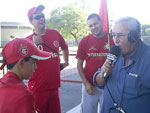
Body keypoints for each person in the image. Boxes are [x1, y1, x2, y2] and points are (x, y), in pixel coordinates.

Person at [93, 16, 150, 113]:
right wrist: (102, 74)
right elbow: (98, 82)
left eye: (120, 35)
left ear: (134, 36)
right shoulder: (114, 54)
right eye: (113, 35)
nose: (115, 40)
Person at [26, 5, 69, 113]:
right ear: (31, 21)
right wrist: (33, 44)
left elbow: (65, 47)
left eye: (43, 15)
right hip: (37, 89)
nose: (41, 18)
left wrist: (66, 62)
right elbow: (23, 61)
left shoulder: (55, 33)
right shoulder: (28, 41)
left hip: (54, 87)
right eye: (37, 17)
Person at [0, 38, 52, 113]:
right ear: (21, 63)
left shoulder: (2, 84)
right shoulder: (24, 95)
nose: (36, 67)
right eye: (33, 62)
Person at [76, 13, 114, 113]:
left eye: (95, 24)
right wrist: (86, 84)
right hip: (90, 86)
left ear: (101, 22)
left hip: (108, 86)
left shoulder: (112, 39)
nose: (93, 27)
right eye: (90, 25)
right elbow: (79, 65)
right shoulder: (85, 41)